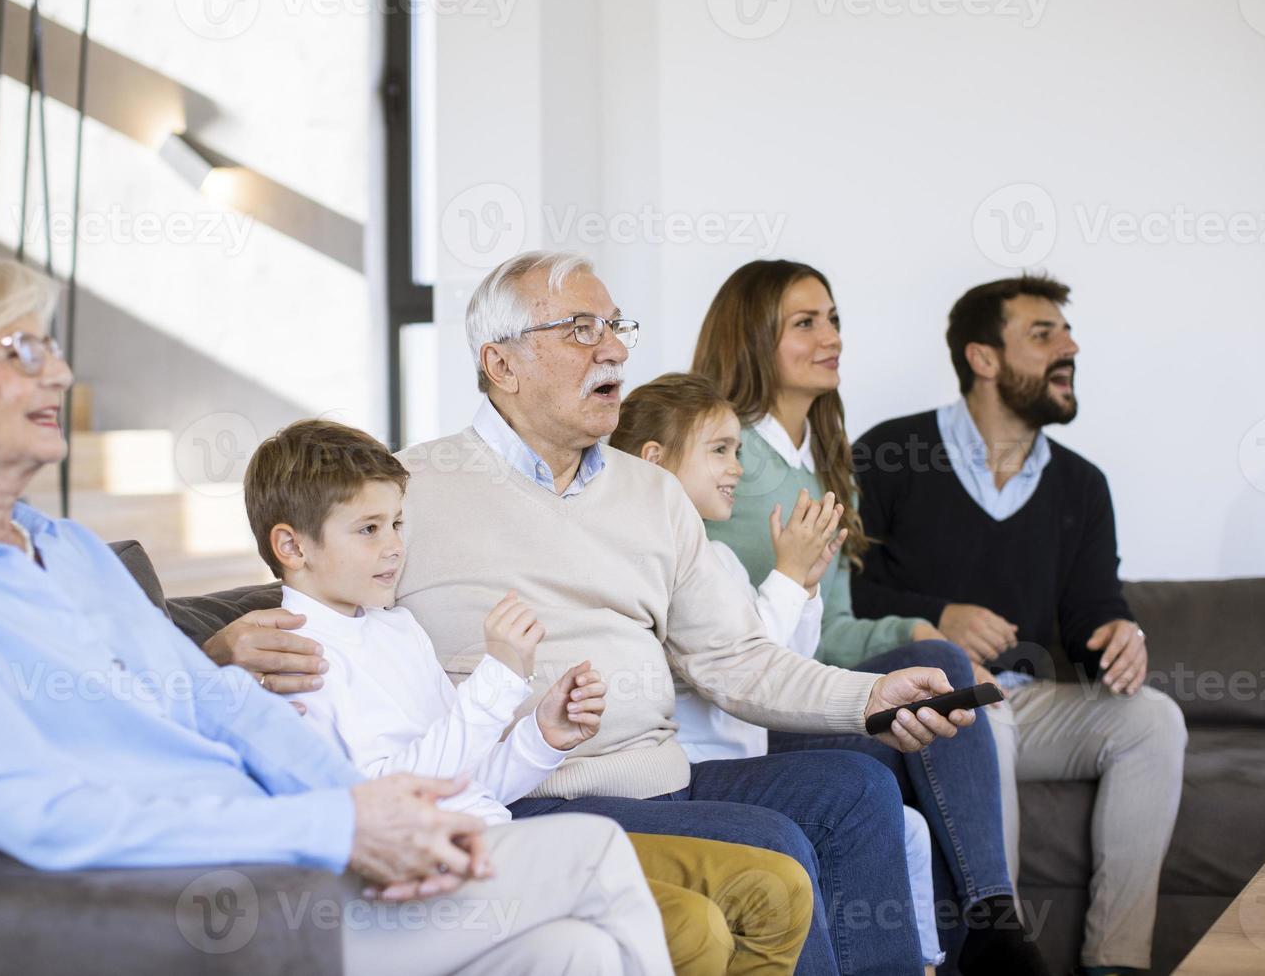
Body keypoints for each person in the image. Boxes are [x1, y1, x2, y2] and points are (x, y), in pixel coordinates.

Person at [0, 259, 673, 976]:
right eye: (21, 348)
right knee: (592, 853)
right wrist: (337, 826)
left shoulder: (67, 552)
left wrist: (368, 811)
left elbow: (220, 704)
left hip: (283, 864)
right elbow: (53, 817)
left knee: (573, 953)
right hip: (195, 913)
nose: (59, 372)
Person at [214, 250, 979, 976]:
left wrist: (867, 698)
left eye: (616, 327)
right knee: (771, 845)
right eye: (581, 329)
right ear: (501, 362)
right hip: (528, 794)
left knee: (857, 789)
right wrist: (222, 650)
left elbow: (735, 659)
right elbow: (314, 579)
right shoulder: (412, 488)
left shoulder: (652, 496)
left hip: (664, 778)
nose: (612, 348)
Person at [241, 417, 815, 975]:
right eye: (369, 529)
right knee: (630, 876)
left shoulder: (393, 627)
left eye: (396, 523)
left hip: (496, 837)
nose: (394, 547)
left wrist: (542, 736)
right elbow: (401, 803)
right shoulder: (293, 659)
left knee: (766, 889)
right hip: (423, 879)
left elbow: (472, 783)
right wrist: (499, 678)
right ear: (291, 546)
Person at [692, 259, 1048, 976]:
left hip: (812, 689)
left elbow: (837, 630)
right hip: (740, 713)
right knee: (931, 721)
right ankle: (992, 934)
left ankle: (989, 922)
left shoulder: (827, 467)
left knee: (939, 675)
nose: (832, 336)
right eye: (806, 322)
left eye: (834, 320)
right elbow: (713, 630)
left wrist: (913, 632)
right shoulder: (719, 457)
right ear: (754, 337)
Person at [848, 274, 1188, 976]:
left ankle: (1115, 963)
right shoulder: (889, 455)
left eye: (1065, 334)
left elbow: (1091, 607)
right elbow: (842, 595)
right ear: (983, 358)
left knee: (1153, 720)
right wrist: (937, 617)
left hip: (1030, 701)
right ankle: (999, 953)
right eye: (1044, 334)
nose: (1070, 348)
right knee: (986, 719)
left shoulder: (1081, 485)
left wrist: (1121, 635)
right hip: (938, 705)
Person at [609, 372, 944, 976]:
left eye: (737, 448)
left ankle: (919, 963)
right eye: (720, 450)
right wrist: (787, 579)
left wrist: (804, 586)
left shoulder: (722, 558)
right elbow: (732, 669)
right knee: (863, 810)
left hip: (740, 757)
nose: (738, 467)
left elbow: (784, 659)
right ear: (654, 462)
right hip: (704, 766)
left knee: (907, 829)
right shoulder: (650, 561)